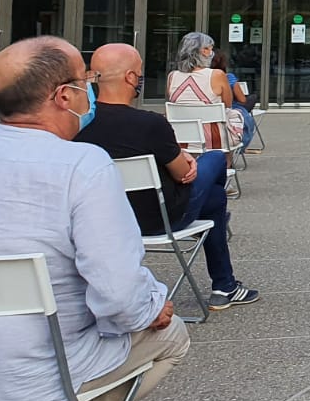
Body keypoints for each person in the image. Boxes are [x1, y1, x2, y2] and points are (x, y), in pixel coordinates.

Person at [0, 38, 190, 401]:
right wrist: (155, 308)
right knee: (171, 337)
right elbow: (120, 298)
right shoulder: (81, 166)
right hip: (38, 360)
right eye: (84, 81)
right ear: (64, 96)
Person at [79, 44, 259, 310]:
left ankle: (225, 281)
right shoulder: (150, 124)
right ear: (131, 78)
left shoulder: (80, 126)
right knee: (215, 162)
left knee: (214, 197)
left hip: (106, 222)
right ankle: (224, 285)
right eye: (139, 74)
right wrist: (186, 161)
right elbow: (183, 173)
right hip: (159, 219)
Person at [167, 31, 238, 153]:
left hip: (180, 139)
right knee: (237, 114)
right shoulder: (217, 75)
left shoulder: (172, 76)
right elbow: (228, 105)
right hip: (214, 141)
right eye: (210, 49)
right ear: (204, 51)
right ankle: (226, 166)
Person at [211, 50, 257, 151]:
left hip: (208, 111)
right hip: (227, 109)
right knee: (250, 99)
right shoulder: (228, 77)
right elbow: (240, 99)